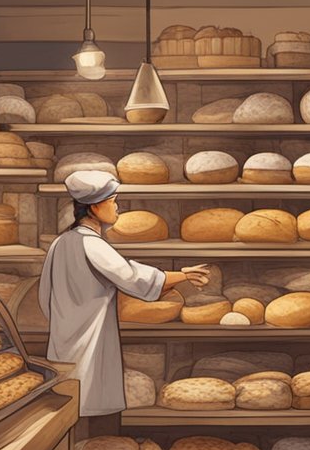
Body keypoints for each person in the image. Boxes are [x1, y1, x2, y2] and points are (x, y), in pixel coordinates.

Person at [40, 170, 210, 430]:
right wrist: (183, 275)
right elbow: (134, 278)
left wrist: (66, 319)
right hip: (90, 343)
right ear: (95, 207)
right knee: (88, 409)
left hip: (63, 341)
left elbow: (45, 296)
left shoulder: (60, 243)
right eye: (113, 201)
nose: (117, 207)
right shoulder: (92, 245)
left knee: (67, 409)